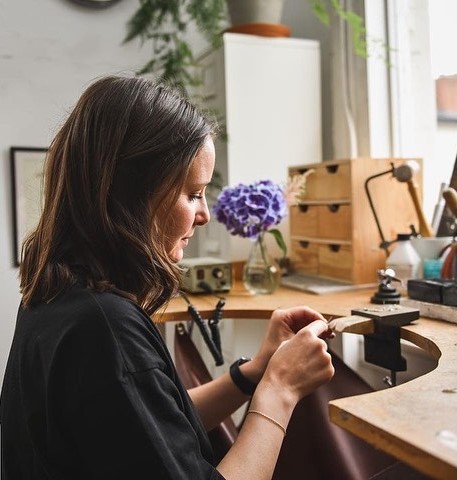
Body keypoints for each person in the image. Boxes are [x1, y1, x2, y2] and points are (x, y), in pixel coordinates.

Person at [0, 74, 335, 479]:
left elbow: (149, 426)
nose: (205, 214)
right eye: (193, 194)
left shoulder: (56, 295)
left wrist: (254, 372)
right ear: (132, 195)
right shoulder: (104, 328)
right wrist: (280, 390)